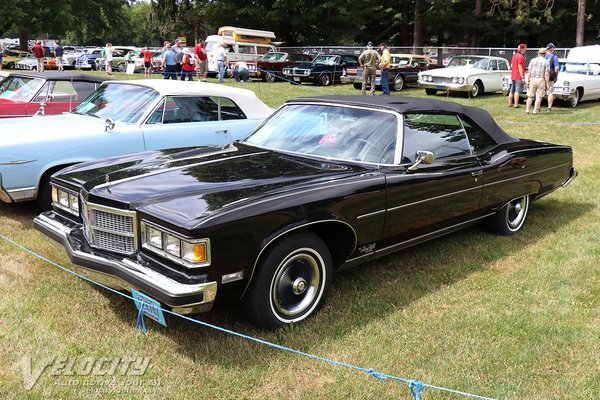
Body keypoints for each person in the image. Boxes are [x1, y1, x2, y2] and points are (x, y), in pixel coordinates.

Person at [525, 47, 550, 115]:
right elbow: (546, 74)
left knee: (530, 96)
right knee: (539, 96)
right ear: (545, 54)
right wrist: (547, 84)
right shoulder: (546, 61)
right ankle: (535, 111)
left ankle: (527, 110)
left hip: (533, 79)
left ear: (538, 53)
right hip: (541, 80)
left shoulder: (532, 60)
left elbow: (529, 71)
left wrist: (528, 80)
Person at [508, 43, 527, 108]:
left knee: (511, 91)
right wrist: (522, 77)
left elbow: (512, 65)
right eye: (525, 48)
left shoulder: (514, 55)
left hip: (513, 75)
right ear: (522, 49)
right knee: (517, 91)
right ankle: (516, 105)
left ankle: (510, 104)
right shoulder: (521, 57)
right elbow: (519, 67)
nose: (525, 50)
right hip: (518, 76)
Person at [545, 43, 560, 112]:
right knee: (550, 92)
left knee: (539, 92)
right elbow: (556, 69)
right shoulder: (554, 57)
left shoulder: (542, 56)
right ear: (551, 49)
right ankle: (549, 108)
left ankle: (537, 107)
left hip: (542, 76)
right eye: (553, 48)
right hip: (550, 77)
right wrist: (556, 76)